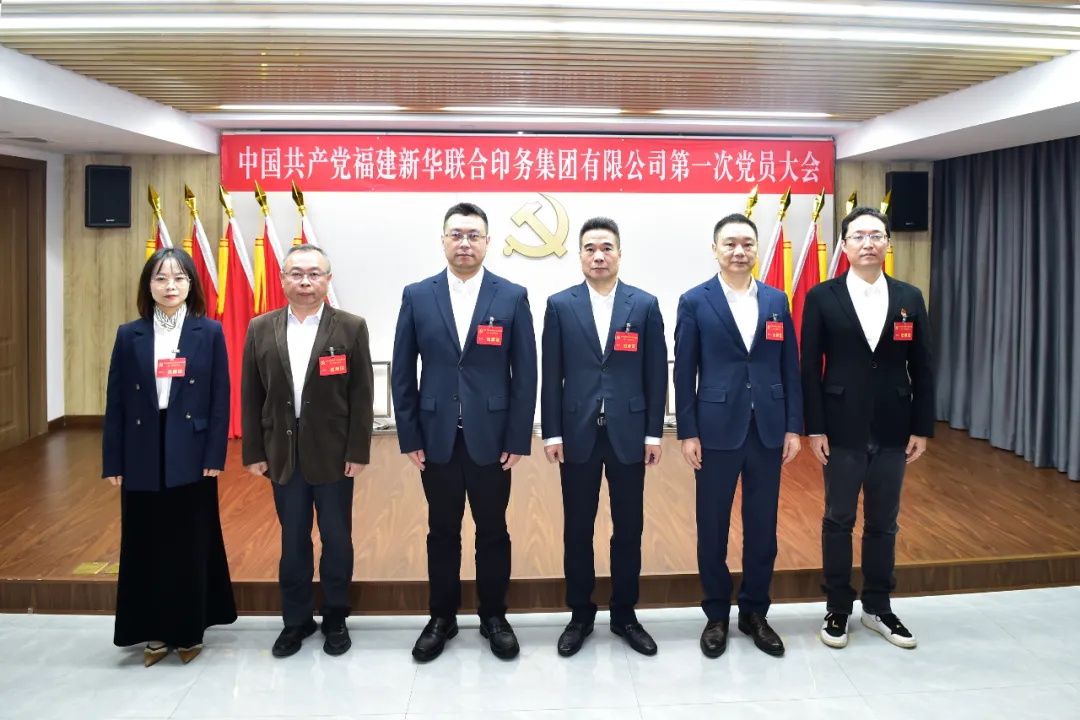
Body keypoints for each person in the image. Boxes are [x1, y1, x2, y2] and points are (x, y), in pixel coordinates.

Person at [392, 202, 537, 662]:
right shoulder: (418, 295)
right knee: (442, 530)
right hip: (436, 438)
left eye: (474, 235)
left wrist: (517, 437)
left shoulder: (511, 296)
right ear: (443, 241)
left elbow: (525, 373)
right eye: (456, 234)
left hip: (492, 440)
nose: (465, 243)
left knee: (493, 530)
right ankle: (442, 617)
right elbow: (402, 371)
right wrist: (410, 435)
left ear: (488, 242)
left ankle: (494, 616)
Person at [801, 206, 934, 650]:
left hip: (895, 425)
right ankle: (837, 606)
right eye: (858, 236)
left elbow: (923, 365)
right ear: (844, 245)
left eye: (876, 235)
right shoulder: (822, 296)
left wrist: (922, 426)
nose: (868, 243)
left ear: (888, 243)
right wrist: (814, 427)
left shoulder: (909, 297)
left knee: (884, 522)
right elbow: (809, 366)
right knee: (838, 519)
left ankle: (878, 606)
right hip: (841, 426)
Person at [674, 213, 802, 659]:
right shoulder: (695, 301)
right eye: (730, 243)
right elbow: (684, 372)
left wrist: (793, 425)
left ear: (756, 249)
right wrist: (687, 431)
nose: (739, 251)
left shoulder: (776, 300)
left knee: (762, 528)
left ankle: (754, 612)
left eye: (747, 243)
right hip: (714, 430)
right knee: (712, 526)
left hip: (767, 429)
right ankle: (716, 614)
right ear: (715, 250)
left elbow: (789, 366)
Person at [102, 247, 236, 667]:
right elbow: (116, 401)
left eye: (179, 278)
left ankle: (189, 629)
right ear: (149, 286)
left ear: (191, 284)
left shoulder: (208, 332)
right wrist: (113, 461)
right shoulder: (130, 334)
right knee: (145, 541)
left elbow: (220, 399)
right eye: (160, 278)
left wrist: (215, 453)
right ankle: (154, 631)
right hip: (142, 446)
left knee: (189, 540)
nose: (170, 286)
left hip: (191, 448)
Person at [541, 217, 667, 657]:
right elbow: (550, 374)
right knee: (577, 528)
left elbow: (656, 373)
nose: (599, 256)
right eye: (590, 248)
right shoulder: (560, 305)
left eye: (607, 248)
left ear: (619, 253)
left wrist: (654, 434)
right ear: (580, 255)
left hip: (629, 433)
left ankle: (625, 614)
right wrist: (551, 432)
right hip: (577, 433)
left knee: (628, 528)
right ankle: (580, 615)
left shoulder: (644, 305)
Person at [241, 244, 374, 658]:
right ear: (282, 280)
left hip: (334, 453)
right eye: (296, 274)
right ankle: (296, 620)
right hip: (282, 452)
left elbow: (362, 395)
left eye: (314, 274)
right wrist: (254, 450)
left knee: (336, 538)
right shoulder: (261, 327)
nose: (305, 281)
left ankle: (335, 616)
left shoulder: (350, 327)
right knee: (293, 540)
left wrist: (358, 450)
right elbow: (251, 393)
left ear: (327, 280)